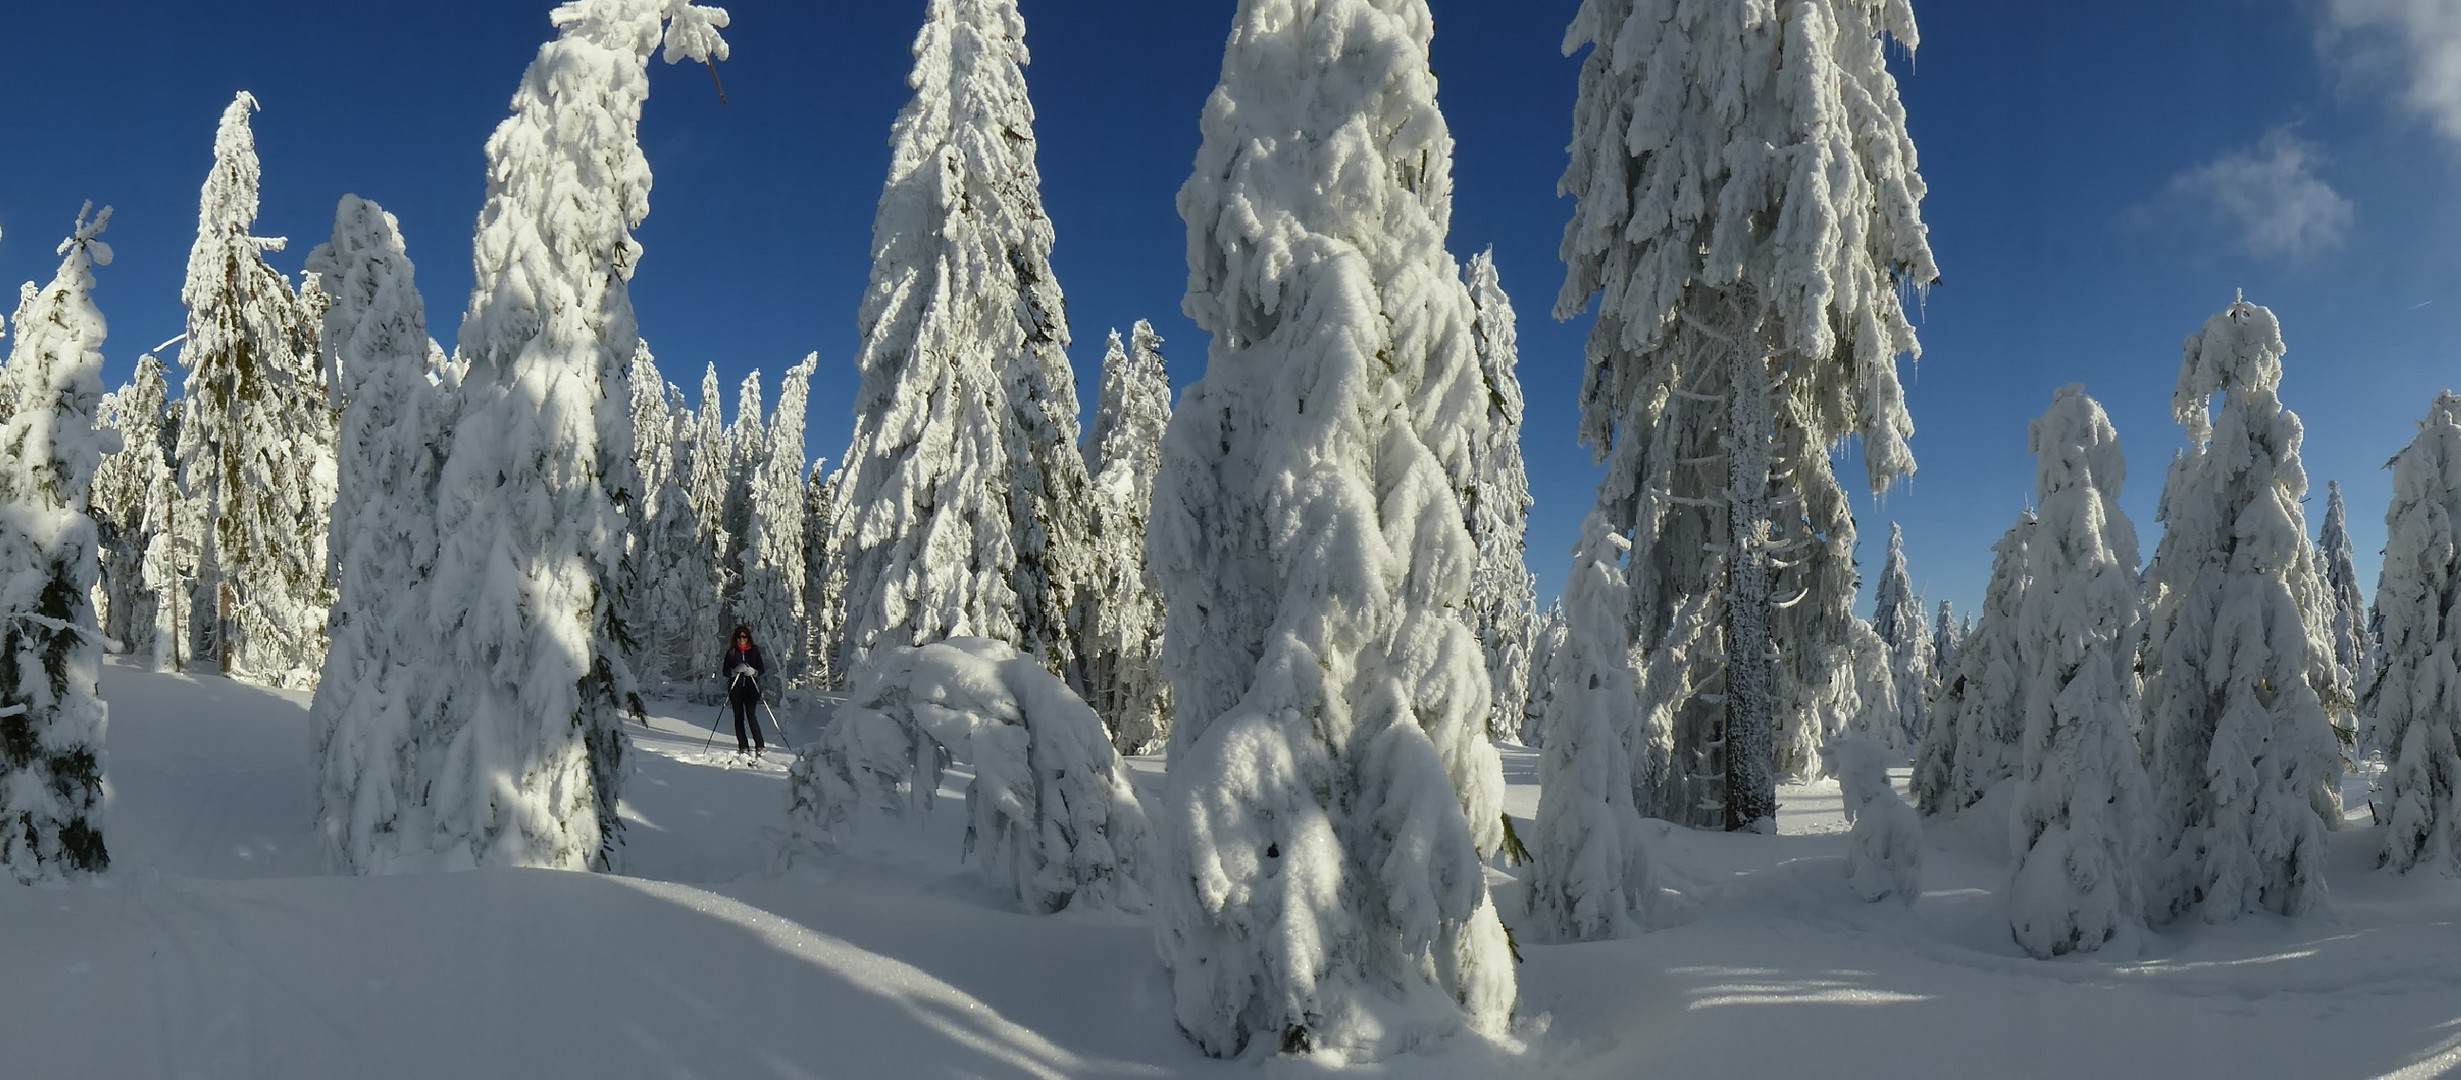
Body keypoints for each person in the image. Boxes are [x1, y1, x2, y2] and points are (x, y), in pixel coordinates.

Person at [722, 625, 767, 757]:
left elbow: (761, 669)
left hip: (751, 688)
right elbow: (725, 671)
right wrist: (735, 671)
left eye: (744, 637)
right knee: (738, 717)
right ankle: (743, 746)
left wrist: (753, 672)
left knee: (751, 716)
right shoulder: (731, 652)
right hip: (736, 688)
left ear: (748, 638)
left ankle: (760, 745)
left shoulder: (753, 651)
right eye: (739, 637)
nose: (742, 639)